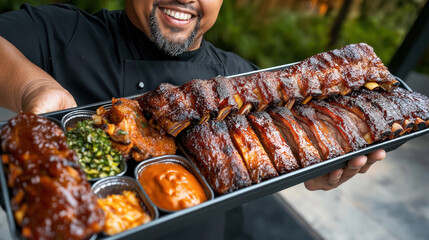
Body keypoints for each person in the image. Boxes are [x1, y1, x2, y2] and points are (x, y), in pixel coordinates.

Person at [0, 0, 385, 238]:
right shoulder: (63, 31)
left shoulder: (241, 83)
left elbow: (286, 146)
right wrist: (31, 88)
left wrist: (311, 167)